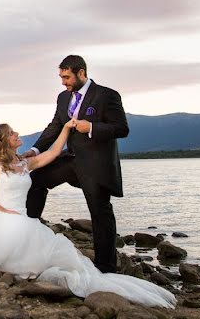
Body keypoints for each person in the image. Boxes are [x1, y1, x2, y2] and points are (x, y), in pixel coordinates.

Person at [0, 123, 175, 308]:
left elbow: (52, 153)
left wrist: (65, 129)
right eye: (12, 133)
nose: (17, 134)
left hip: (24, 219)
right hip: (4, 217)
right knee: (18, 258)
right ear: (4, 141)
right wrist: (2, 212)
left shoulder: (24, 163)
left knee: (55, 254)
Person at [23, 55, 127, 274]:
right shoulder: (63, 98)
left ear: (82, 73)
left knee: (100, 213)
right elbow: (55, 126)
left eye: (67, 77)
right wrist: (34, 150)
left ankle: (106, 268)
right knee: (35, 180)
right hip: (69, 161)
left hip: (96, 166)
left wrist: (91, 127)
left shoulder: (107, 95)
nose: (63, 82)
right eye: (61, 77)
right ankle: (31, 237)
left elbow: (121, 128)